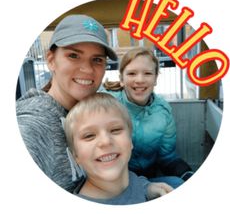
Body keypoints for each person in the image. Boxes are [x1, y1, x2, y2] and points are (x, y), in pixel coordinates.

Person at [16, 14, 118, 193]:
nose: (87, 69)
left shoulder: (89, 112)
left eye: (97, 59)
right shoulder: (34, 123)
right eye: (73, 55)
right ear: (51, 60)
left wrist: (144, 186)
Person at [102, 47, 193, 187]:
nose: (140, 80)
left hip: (149, 178)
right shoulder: (105, 103)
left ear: (156, 78)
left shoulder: (163, 112)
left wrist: (187, 174)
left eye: (147, 73)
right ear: (121, 79)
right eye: (132, 73)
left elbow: (167, 157)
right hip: (113, 180)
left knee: (178, 184)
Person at [64, 92, 173, 205]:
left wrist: (146, 188)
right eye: (89, 136)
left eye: (115, 130)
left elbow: (133, 183)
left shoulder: (134, 180)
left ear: (130, 141)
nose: (105, 141)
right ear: (75, 155)